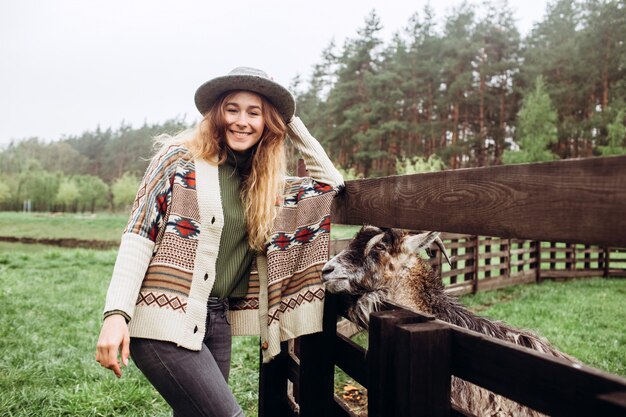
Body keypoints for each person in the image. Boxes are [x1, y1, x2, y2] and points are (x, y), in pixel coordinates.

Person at [95, 66, 344, 417]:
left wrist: (289, 120)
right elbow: (139, 235)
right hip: (163, 317)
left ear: (268, 122)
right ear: (216, 114)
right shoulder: (178, 161)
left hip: (218, 318)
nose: (242, 121)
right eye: (232, 109)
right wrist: (116, 314)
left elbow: (331, 185)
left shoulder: (264, 184)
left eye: (255, 113)